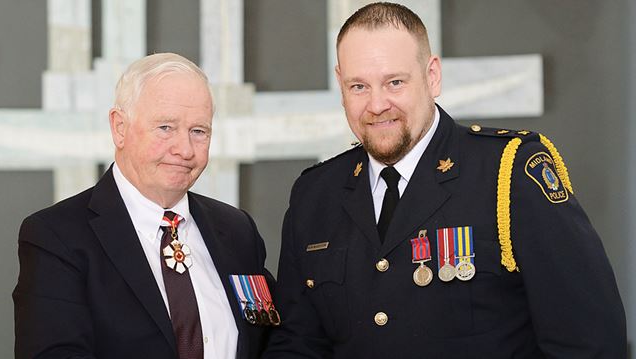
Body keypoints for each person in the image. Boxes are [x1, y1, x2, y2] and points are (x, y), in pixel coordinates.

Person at [263, 2, 626, 358]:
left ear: (432, 76)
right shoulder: (315, 195)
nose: (377, 105)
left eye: (394, 82)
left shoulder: (509, 172)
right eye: (359, 86)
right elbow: (298, 344)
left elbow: (589, 343)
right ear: (340, 84)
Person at [14, 53, 275, 359]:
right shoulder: (56, 237)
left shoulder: (237, 230)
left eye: (198, 131)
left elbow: (275, 338)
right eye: (166, 127)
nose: (184, 149)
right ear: (119, 128)